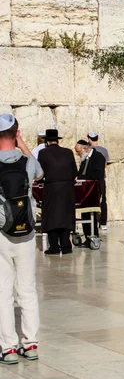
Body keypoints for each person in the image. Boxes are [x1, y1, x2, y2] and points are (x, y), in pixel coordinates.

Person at [0, 113, 43, 364]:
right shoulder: (28, 162)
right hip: (26, 232)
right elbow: (39, 172)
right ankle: (32, 343)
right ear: (15, 133)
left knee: (4, 290)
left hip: (2, 234)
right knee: (27, 290)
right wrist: (22, 142)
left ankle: (8, 347)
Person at [37, 129, 78, 255]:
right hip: (67, 189)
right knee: (65, 216)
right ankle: (66, 246)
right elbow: (74, 173)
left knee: (52, 216)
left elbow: (39, 173)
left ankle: (54, 246)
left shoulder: (43, 153)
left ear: (47, 142)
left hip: (51, 188)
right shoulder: (68, 152)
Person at [75, 139, 105, 245]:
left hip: (94, 189)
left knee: (92, 213)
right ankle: (88, 236)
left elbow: (98, 174)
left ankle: (94, 235)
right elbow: (81, 172)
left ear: (85, 149)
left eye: (78, 151)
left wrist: (81, 177)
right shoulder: (84, 158)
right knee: (84, 212)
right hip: (85, 190)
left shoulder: (98, 157)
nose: (78, 154)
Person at [87, 132, 109, 230]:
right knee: (103, 199)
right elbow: (105, 165)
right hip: (101, 178)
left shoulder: (88, 150)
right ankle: (103, 222)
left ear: (89, 139)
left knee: (91, 201)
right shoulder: (104, 150)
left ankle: (93, 222)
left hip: (91, 179)